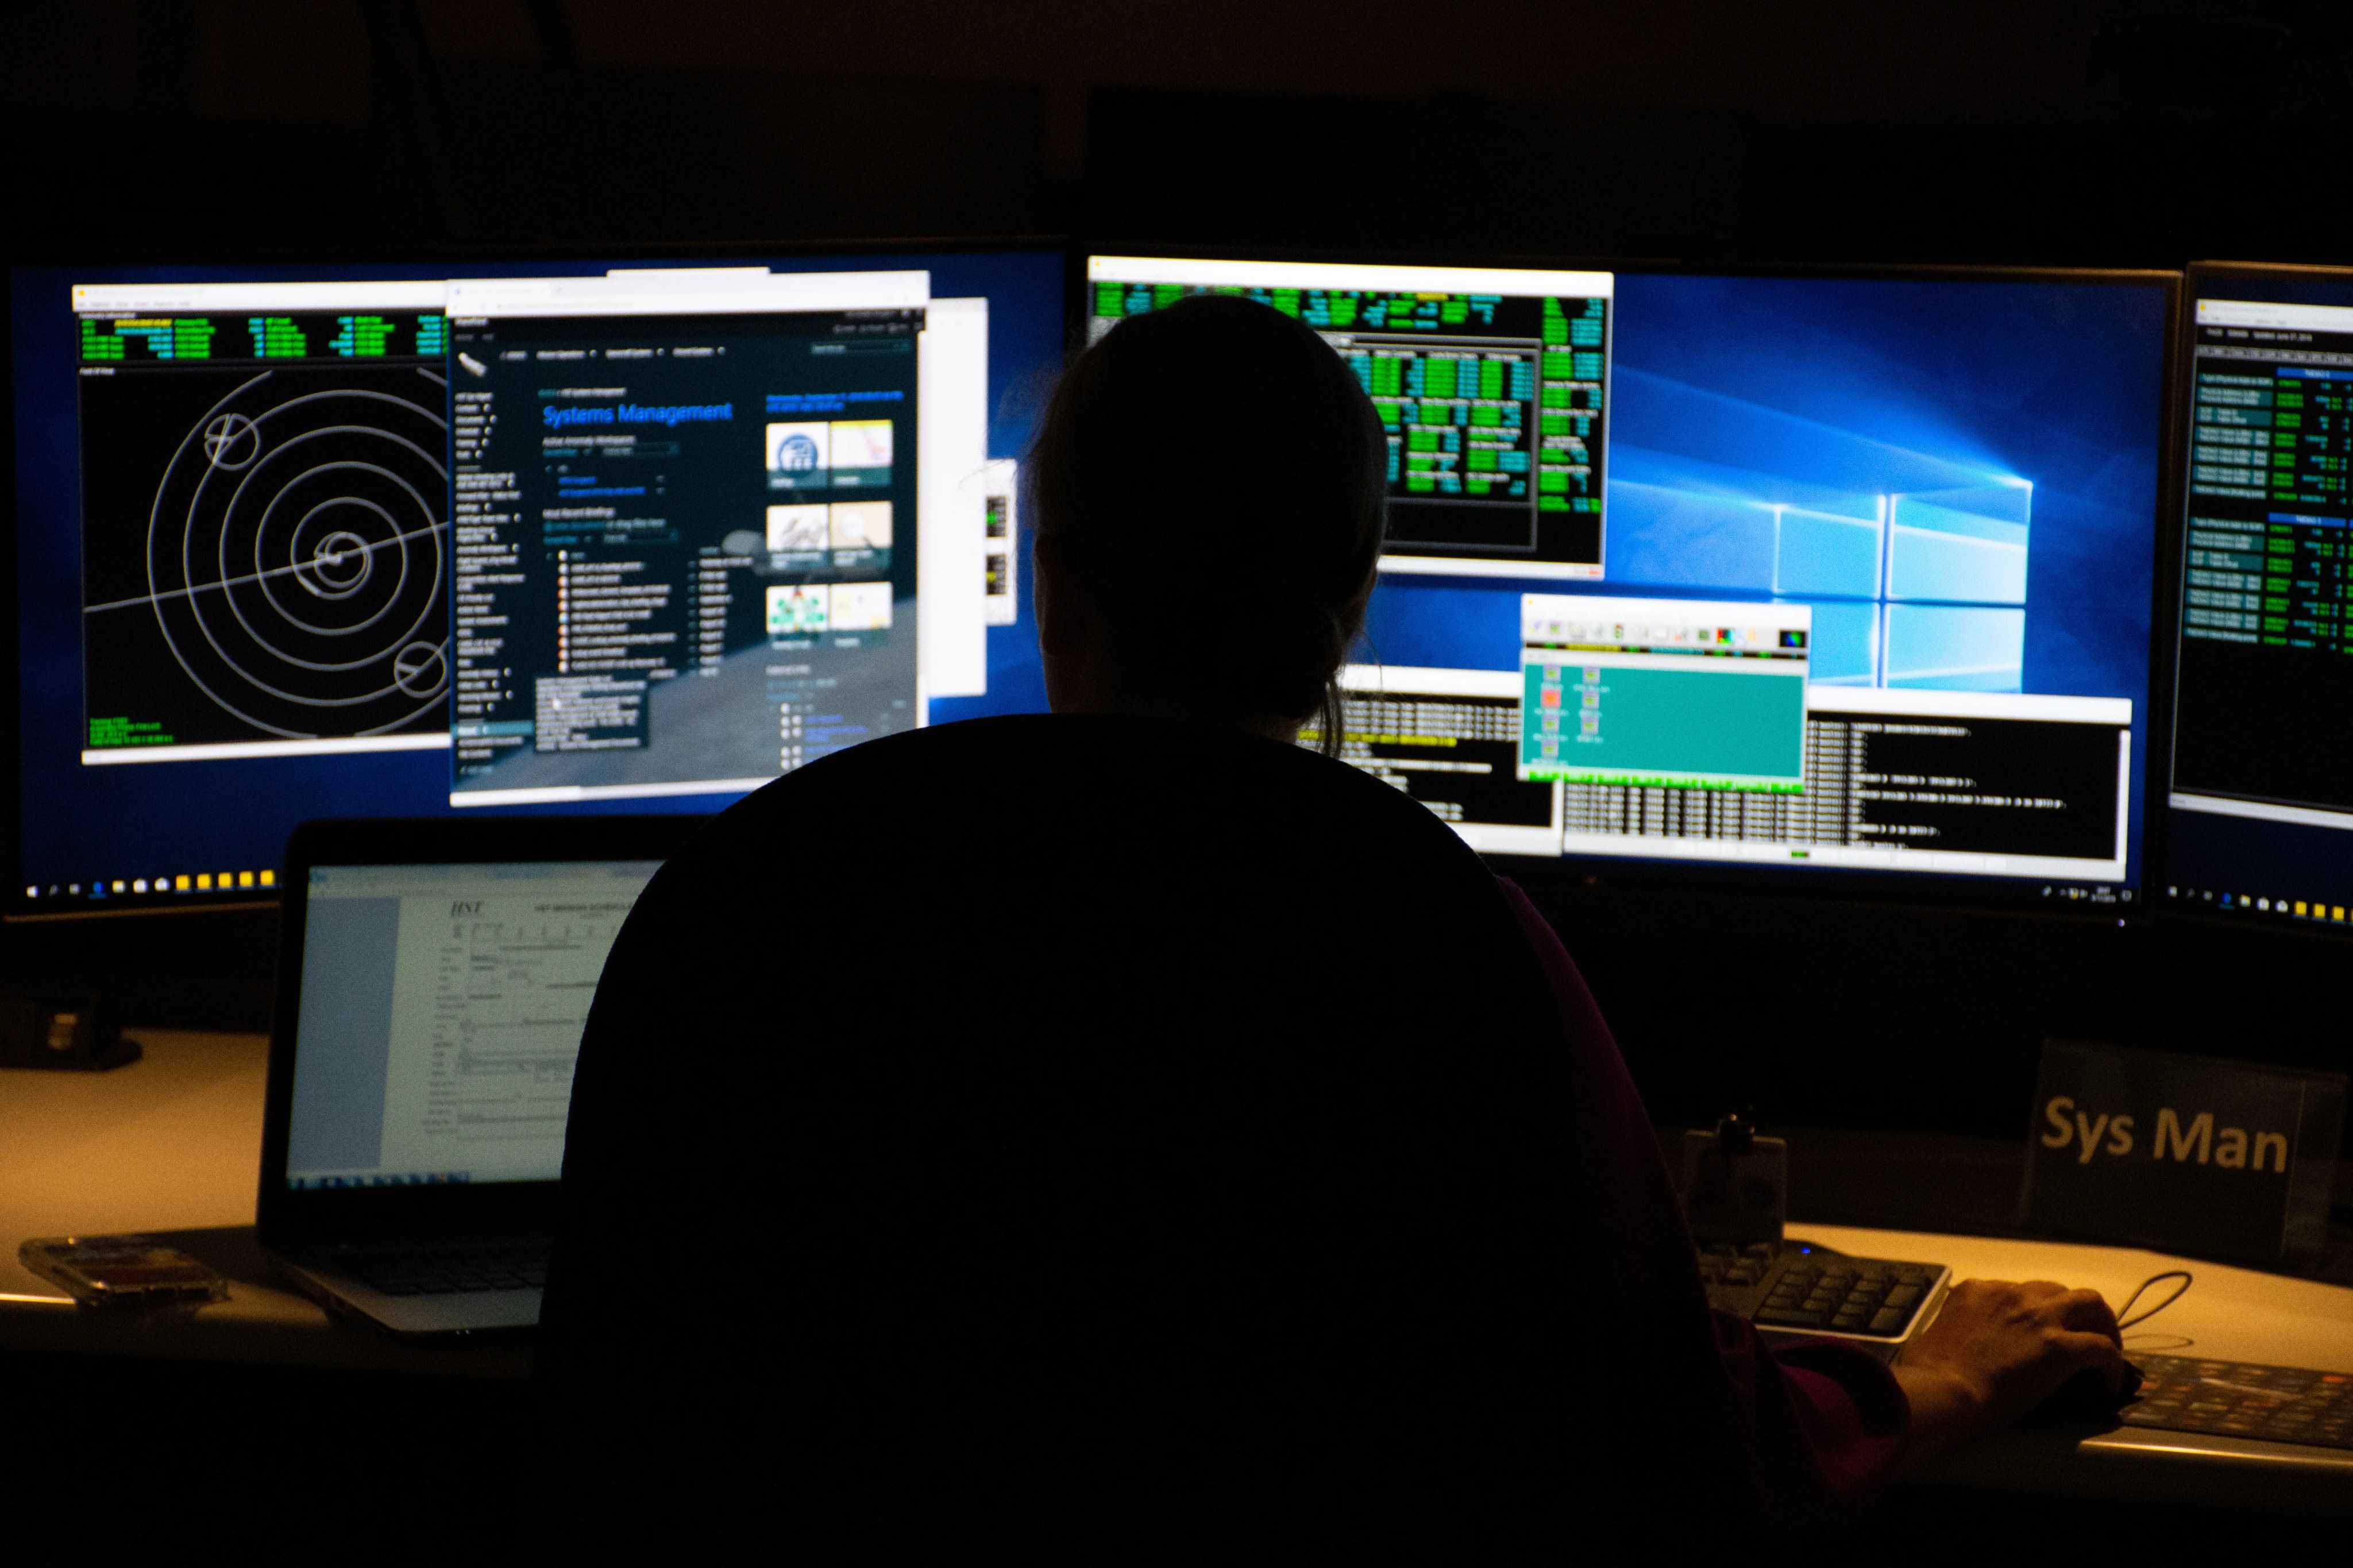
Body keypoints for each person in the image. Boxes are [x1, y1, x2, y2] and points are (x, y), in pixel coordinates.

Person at [542, 295, 2127, 1549]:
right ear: (1345, 617)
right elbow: (1678, 1456)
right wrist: (1938, 1372)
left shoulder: (751, 900)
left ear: (1051, 587)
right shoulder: (1445, 950)